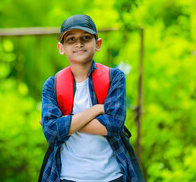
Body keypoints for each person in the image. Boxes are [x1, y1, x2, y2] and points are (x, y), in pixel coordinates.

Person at [40, 15, 138, 182]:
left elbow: (114, 125)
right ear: (61, 48)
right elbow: (51, 131)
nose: (79, 43)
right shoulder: (52, 85)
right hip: (68, 176)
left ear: (98, 44)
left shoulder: (114, 78)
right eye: (71, 39)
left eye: (85, 38)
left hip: (112, 176)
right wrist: (96, 109)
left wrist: (66, 122)